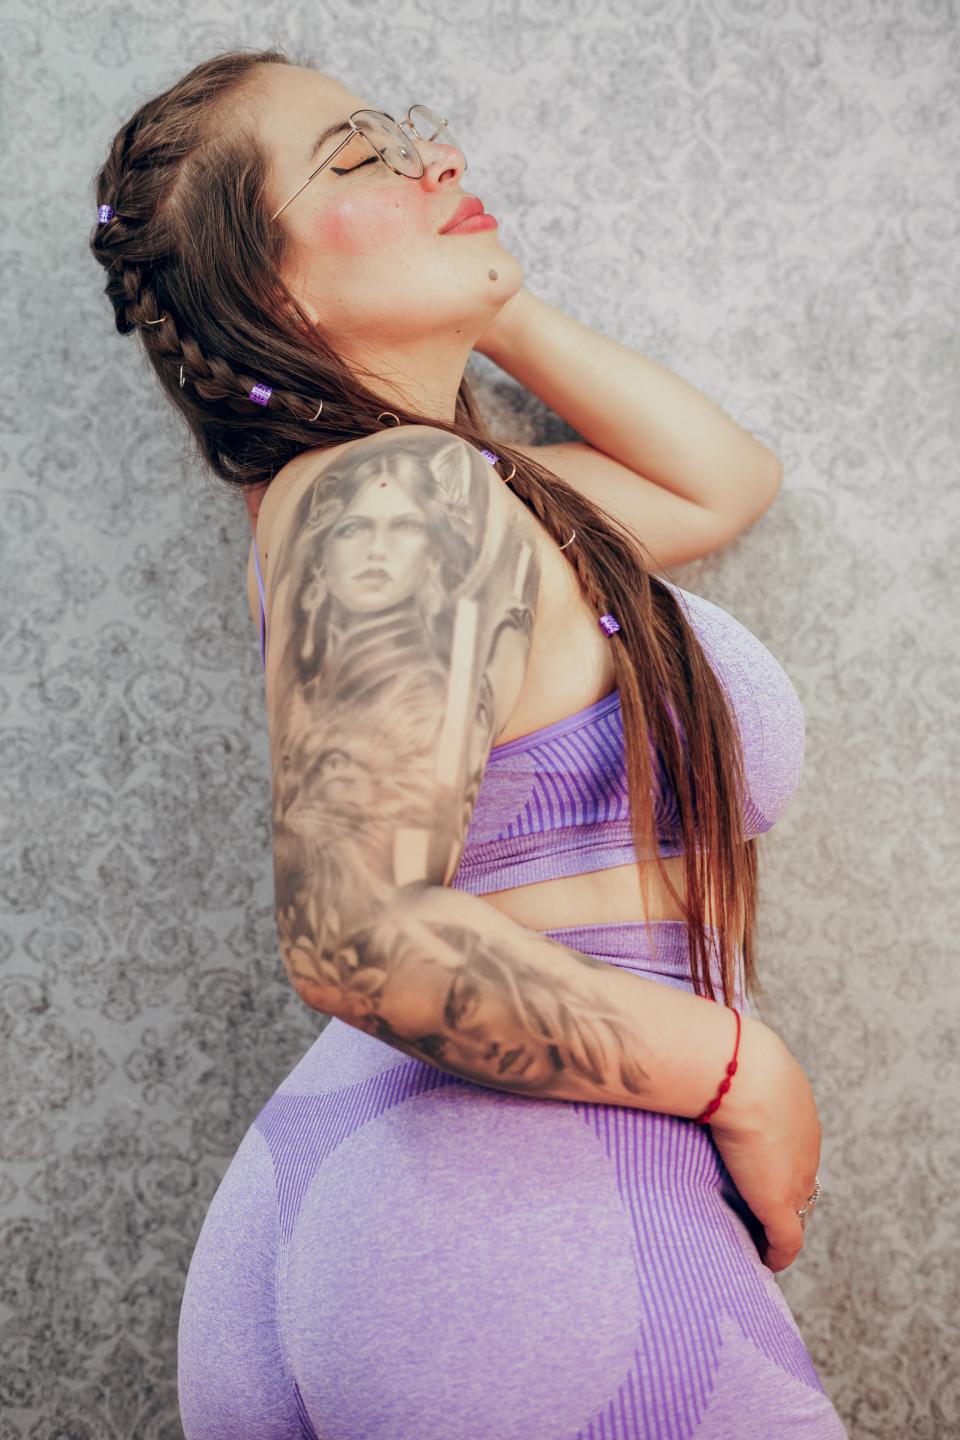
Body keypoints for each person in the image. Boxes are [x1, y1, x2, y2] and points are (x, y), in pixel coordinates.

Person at [90, 47, 849, 1440]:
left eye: (409, 135)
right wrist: (741, 1070)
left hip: (434, 1211)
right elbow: (352, 932)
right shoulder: (400, 496)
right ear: (272, 293)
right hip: (518, 1226)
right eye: (359, 157)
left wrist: (479, 301)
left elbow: (721, 482)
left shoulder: (446, 495)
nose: (434, 156)